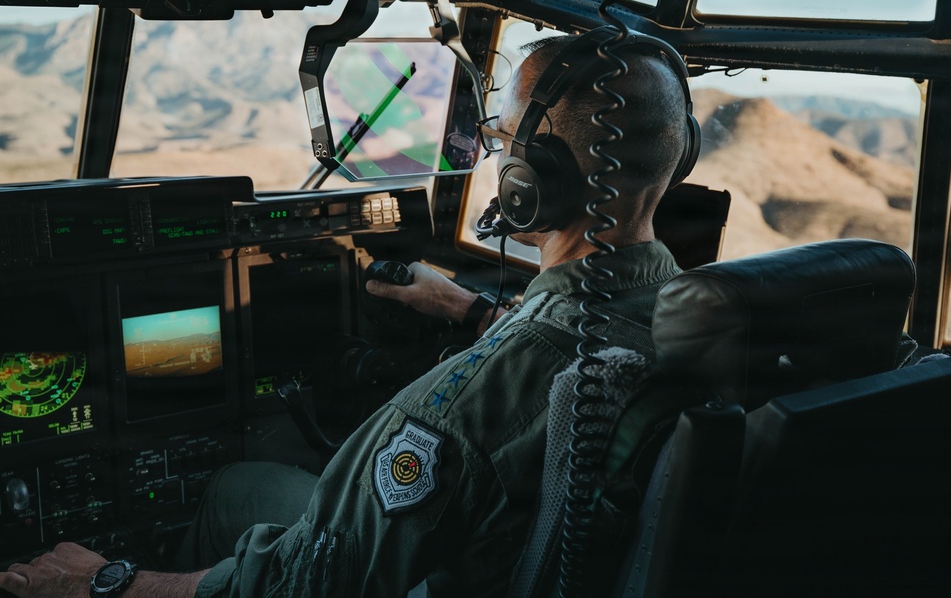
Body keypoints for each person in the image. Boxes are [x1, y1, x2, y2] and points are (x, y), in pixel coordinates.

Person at [0, 29, 692, 598]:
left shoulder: (452, 411)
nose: (491, 152)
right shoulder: (701, 313)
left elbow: (304, 581)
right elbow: (553, 347)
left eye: (499, 134)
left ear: (531, 178)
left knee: (232, 488)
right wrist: (467, 307)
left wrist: (104, 580)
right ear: (676, 153)